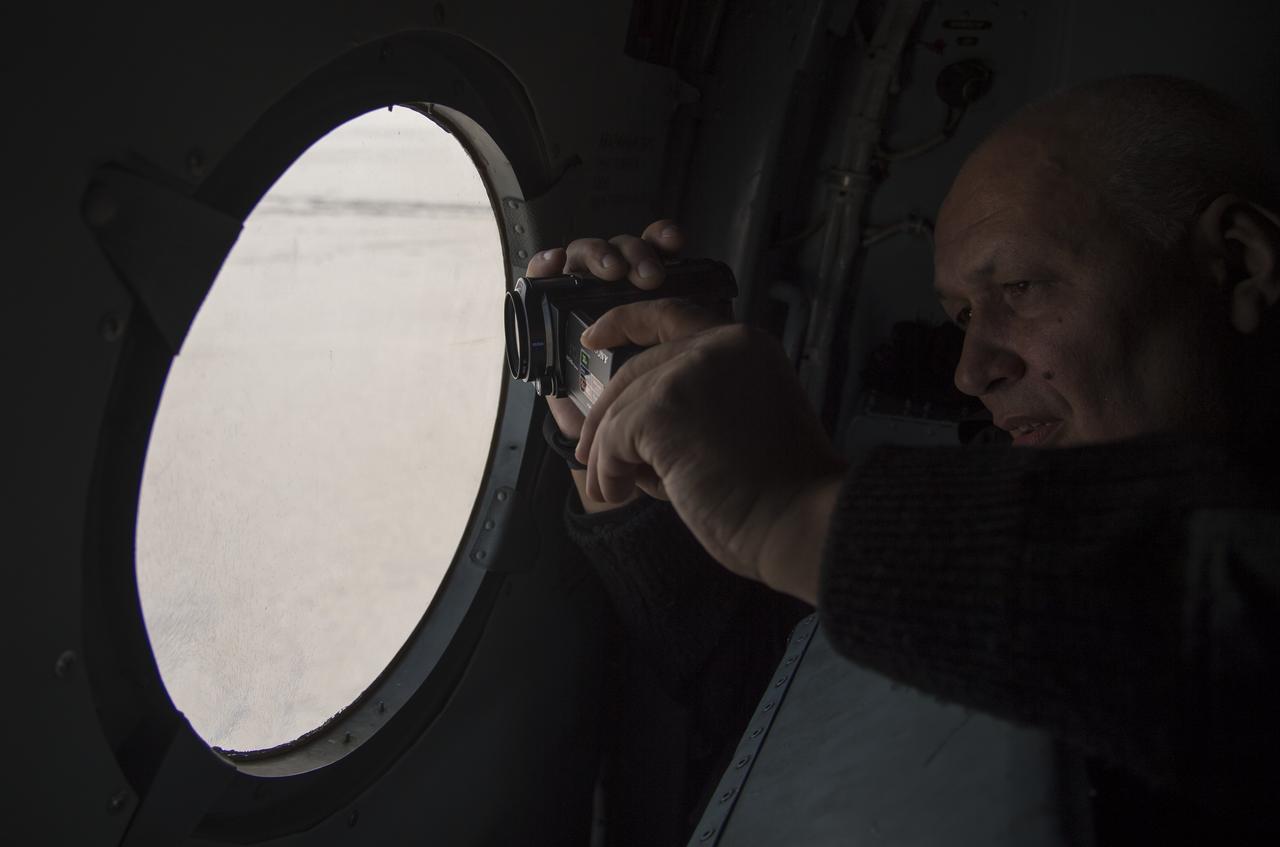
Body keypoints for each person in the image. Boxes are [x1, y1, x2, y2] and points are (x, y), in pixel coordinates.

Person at [526, 75, 1280, 840]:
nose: (969, 369)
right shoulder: (991, 512)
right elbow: (772, 672)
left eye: (1020, 286)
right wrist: (622, 446)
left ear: (1240, 263)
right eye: (960, 314)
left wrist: (801, 514)